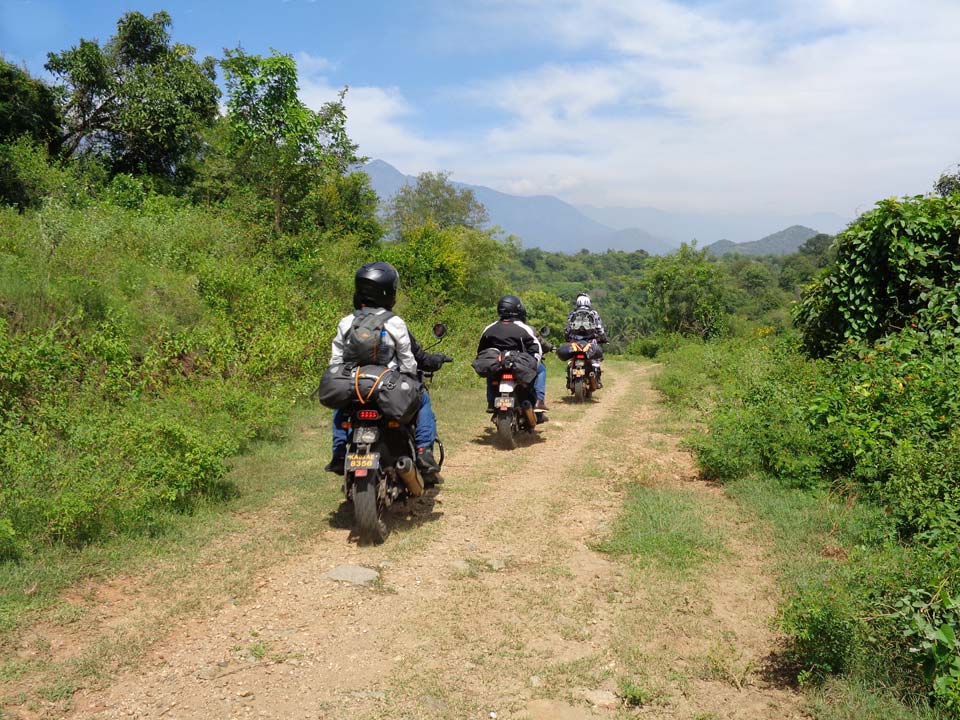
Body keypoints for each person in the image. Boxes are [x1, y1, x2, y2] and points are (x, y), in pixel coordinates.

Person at [325, 261, 445, 480]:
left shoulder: (347, 321)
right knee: (423, 399)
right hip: (386, 386)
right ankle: (423, 451)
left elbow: (336, 360)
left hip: (354, 384)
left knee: (342, 403)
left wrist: (343, 378)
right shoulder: (394, 322)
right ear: (389, 291)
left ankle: (339, 452)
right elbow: (407, 358)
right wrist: (410, 378)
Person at [477, 294, 548, 413]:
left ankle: (490, 401)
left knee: (491, 371)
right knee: (541, 369)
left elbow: (481, 350)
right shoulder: (524, 328)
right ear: (517, 310)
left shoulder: (489, 328)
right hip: (518, 365)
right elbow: (536, 348)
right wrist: (534, 362)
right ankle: (539, 401)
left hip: (498, 363)